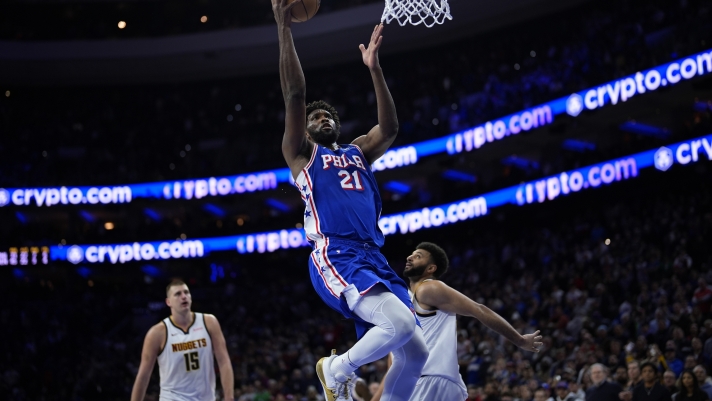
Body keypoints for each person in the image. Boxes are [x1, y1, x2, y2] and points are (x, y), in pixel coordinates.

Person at [271, 1, 428, 400]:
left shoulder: (357, 150)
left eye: (328, 117)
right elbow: (294, 92)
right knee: (401, 326)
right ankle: (336, 368)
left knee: (417, 353)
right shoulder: (303, 154)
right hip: (337, 253)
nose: (323, 119)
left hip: (373, 255)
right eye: (315, 117)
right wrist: (283, 28)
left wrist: (374, 69)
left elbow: (389, 128)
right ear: (304, 129)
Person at [371, 242, 542, 401]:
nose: (410, 257)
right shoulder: (403, 306)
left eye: (418, 256)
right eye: (411, 255)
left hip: (429, 380)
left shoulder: (429, 288)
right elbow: (393, 367)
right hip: (428, 383)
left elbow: (479, 310)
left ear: (431, 268)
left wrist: (519, 340)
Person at [130, 279, 234, 401]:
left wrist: (229, 397)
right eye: (178, 294)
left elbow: (224, 361)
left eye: (186, 292)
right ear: (168, 302)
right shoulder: (157, 333)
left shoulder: (209, 322)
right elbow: (143, 376)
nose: (184, 297)